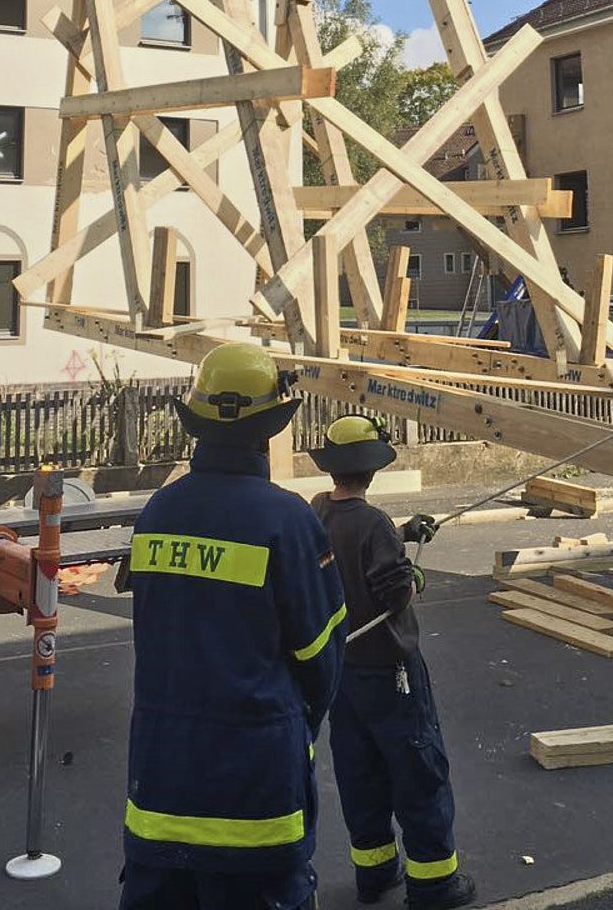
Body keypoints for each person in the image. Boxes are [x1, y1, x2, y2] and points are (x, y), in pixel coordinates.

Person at [119, 343, 347, 910]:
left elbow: (152, 635)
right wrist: (295, 729)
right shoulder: (288, 520)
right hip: (255, 794)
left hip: (162, 783)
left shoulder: (158, 513)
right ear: (269, 427)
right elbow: (321, 656)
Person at [310, 415, 475, 908]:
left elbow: (350, 548)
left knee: (360, 773)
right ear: (373, 469)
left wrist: (403, 534)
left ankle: (375, 871)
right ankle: (433, 883)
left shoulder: (319, 511)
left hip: (342, 673)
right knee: (417, 769)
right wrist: (415, 577)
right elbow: (395, 592)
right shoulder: (373, 523)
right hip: (392, 674)